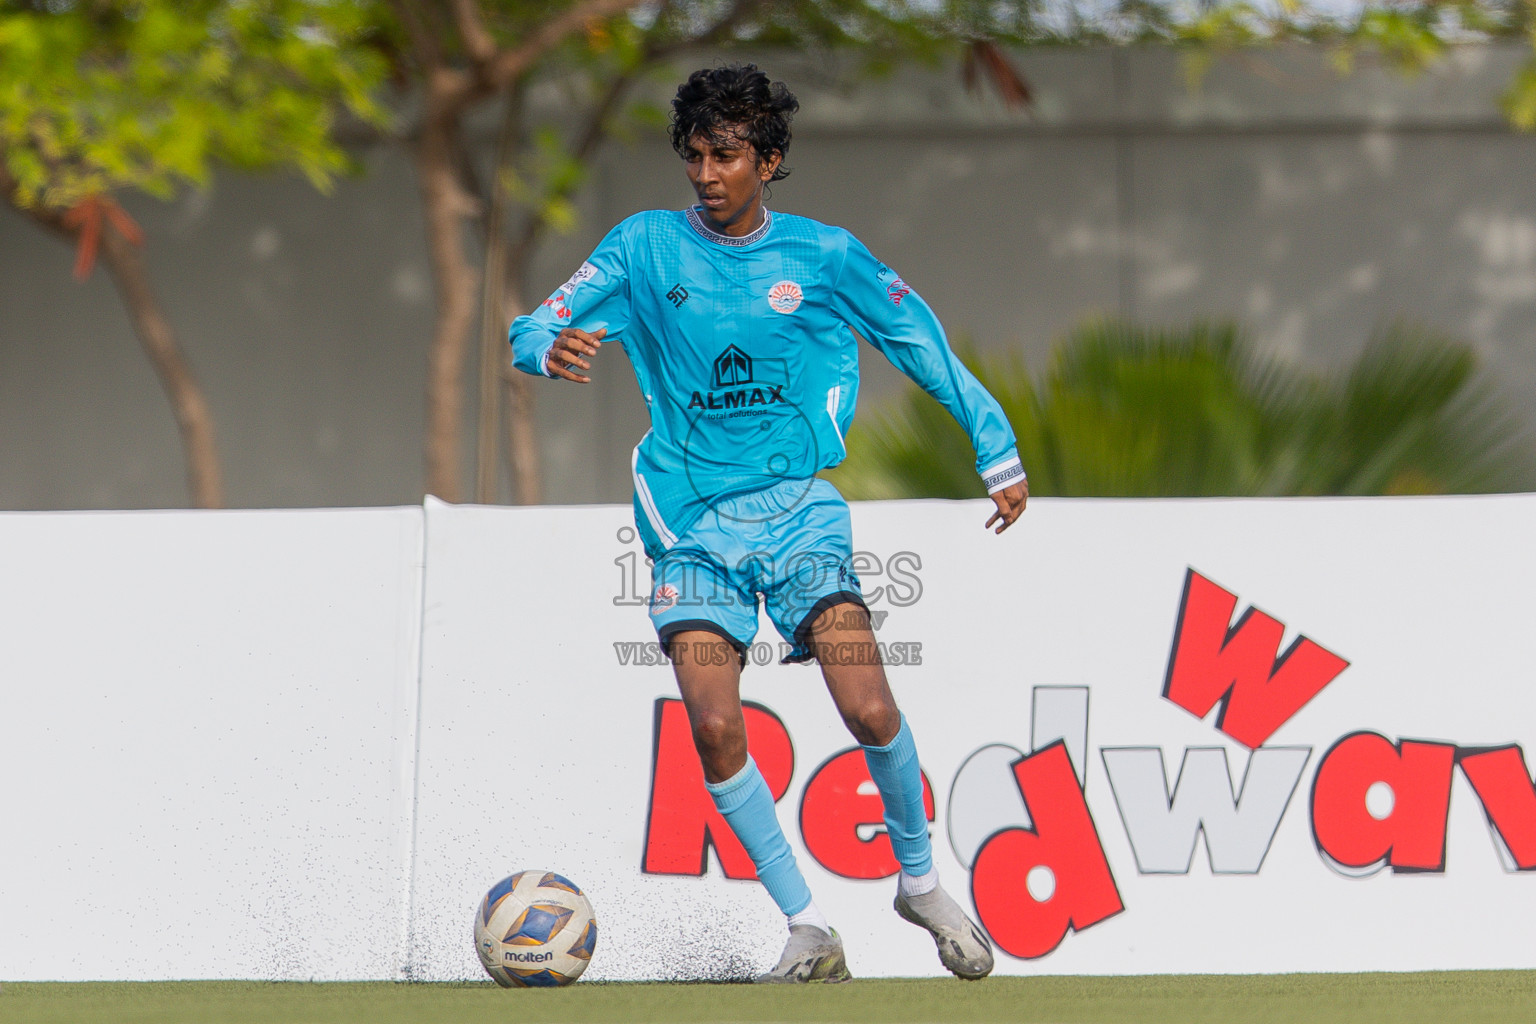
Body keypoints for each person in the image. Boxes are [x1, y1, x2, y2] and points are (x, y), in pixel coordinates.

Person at [510, 64, 1027, 983]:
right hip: (690, 523)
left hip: (799, 517)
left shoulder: (824, 257)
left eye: (727, 155)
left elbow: (917, 340)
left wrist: (996, 447)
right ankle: (808, 926)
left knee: (869, 705)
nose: (706, 174)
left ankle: (918, 883)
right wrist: (548, 348)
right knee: (714, 726)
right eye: (694, 156)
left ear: (771, 160)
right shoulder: (643, 248)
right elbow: (530, 326)